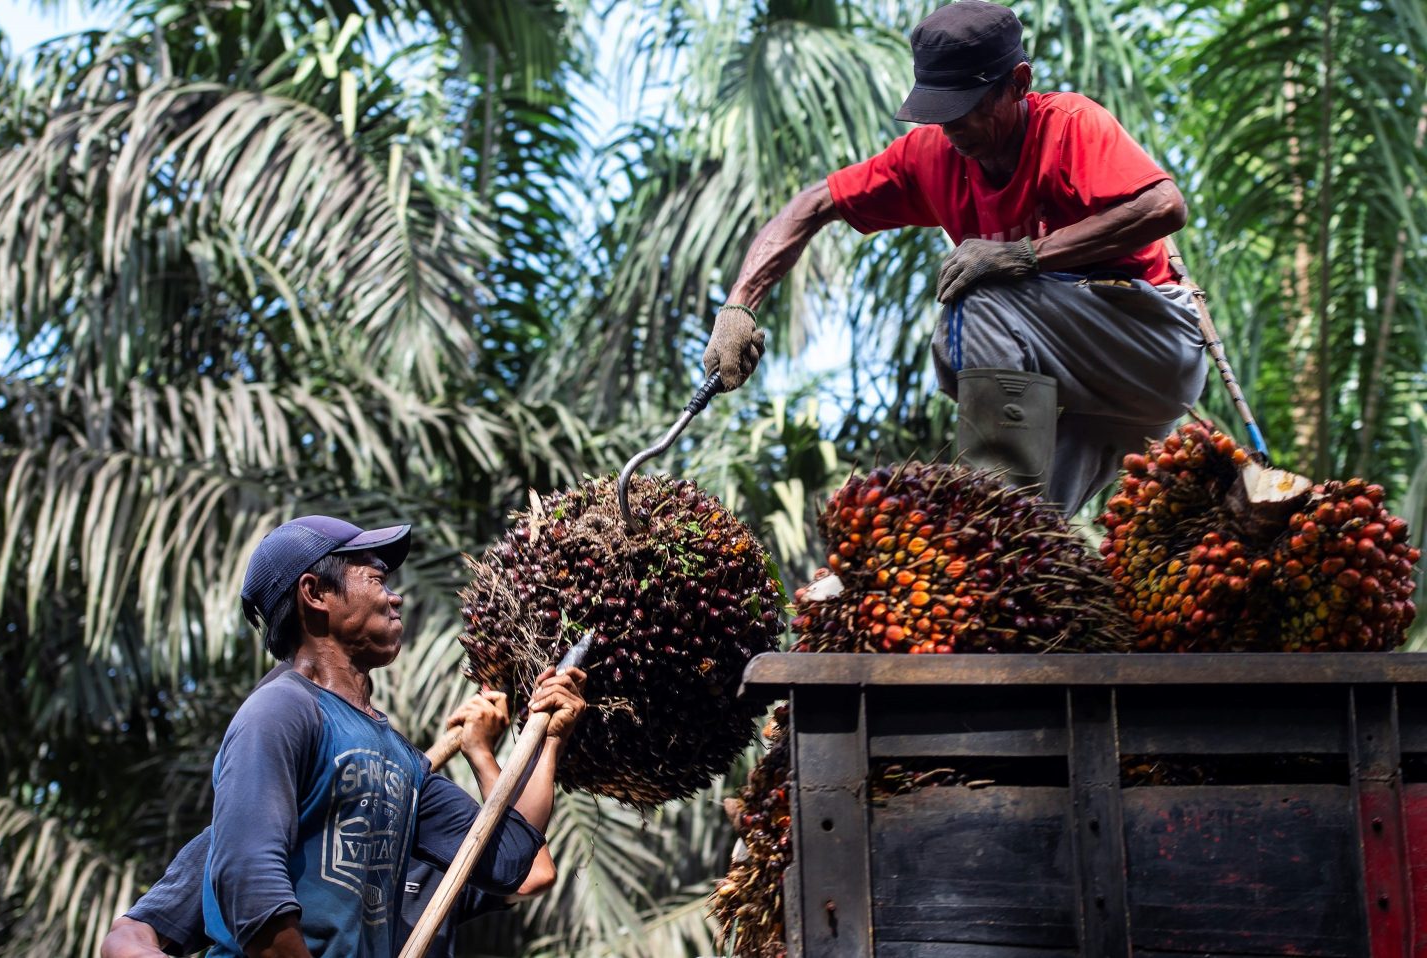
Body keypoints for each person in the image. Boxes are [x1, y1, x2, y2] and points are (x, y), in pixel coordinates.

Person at [702, 0, 1208, 515]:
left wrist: (1025, 254)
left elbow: (1164, 206)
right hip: (1097, 398)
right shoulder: (930, 157)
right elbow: (813, 205)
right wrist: (738, 307)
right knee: (1011, 540)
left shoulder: (1070, 125)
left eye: (967, 106)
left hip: (1151, 342)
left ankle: (990, 489)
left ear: (1018, 82)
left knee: (977, 297)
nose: (952, 126)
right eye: (938, 111)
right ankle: (999, 529)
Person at [202, 515, 586, 958]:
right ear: (314, 593)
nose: (395, 595)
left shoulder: (400, 757)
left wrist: (548, 738)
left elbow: (511, 856)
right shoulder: (280, 712)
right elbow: (251, 886)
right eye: (376, 578)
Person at [100, 689, 548, 958]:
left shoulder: (433, 856)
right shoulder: (249, 836)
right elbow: (129, 935)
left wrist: (495, 751)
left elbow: (527, 868)